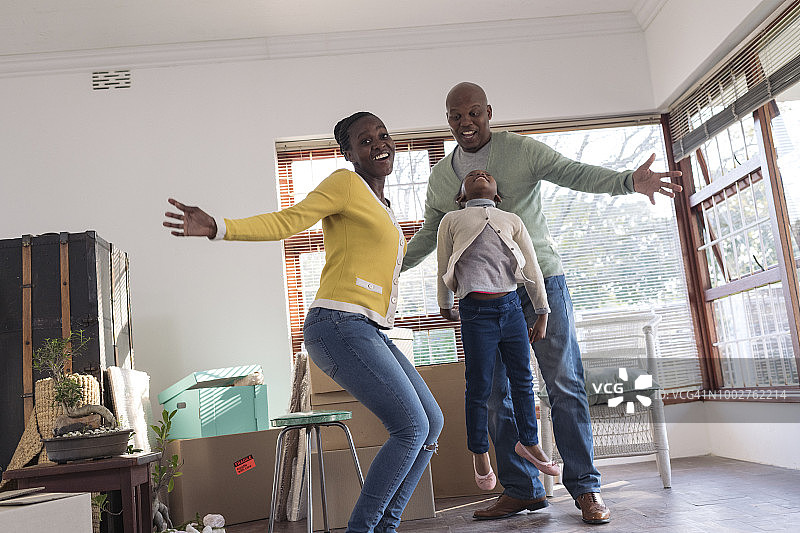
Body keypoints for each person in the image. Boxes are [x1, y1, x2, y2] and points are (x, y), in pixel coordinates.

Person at [402, 82, 682, 524]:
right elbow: (428, 238)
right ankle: (522, 490)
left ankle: (586, 489)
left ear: (489, 112)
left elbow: (576, 173)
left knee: (564, 386)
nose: (465, 123)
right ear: (448, 119)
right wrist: (388, 269)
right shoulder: (442, 178)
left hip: (541, 286)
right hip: (482, 301)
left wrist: (630, 181)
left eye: (474, 112)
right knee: (496, 397)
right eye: (456, 116)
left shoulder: (520, 151)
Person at [163, 111, 444, 533]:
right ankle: (364, 529)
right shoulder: (346, 184)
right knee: (411, 426)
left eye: (382, 135)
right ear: (347, 152)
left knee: (430, 423)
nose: (379, 144)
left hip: (365, 327)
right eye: (365, 141)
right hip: (337, 324)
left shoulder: (382, 207)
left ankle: (383, 526)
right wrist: (217, 227)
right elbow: (288, 221)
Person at [436, 169, 560, 493]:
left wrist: (543, 312)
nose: (480, 173)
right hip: (475, 313)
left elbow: (532, 265)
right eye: (472, 175)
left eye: (489, 175)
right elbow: (442, 264)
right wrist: (444, 302)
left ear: (497, 195)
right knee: (479, 386)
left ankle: (529, 443)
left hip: (511, 310)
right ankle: (479, 451)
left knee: (523, 380)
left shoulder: (511, 219)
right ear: (461, 195)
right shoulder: (451, 220)